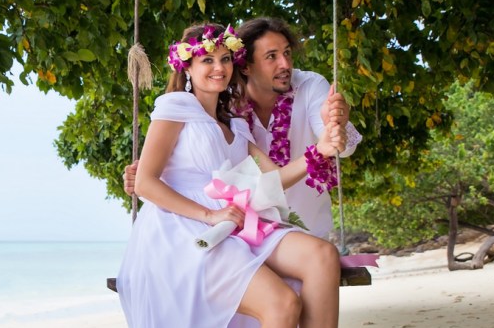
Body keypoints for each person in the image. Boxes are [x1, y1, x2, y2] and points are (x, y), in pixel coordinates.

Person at [117, 22, 375, 328]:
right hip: (182, 235)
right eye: (205, 60)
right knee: (282, 304)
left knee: (320, 255)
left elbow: (274, 178)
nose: (217, 68)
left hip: (232, 225)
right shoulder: (174, 110)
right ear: (186, 68)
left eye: (223, 59)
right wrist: (208, 213)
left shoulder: (236, 126)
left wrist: (321, 149)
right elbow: (148, 184)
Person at [126, 16, 361, 239]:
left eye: (287, 53)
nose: (285, 64)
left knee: (320, 259)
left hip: (307, 224)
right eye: (272, 56)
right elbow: (197, 164)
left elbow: (340, 146)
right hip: (241, 231)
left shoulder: (309, 86)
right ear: (246, 66)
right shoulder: (223, 103)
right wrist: (152, 174)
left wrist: (336, 126)